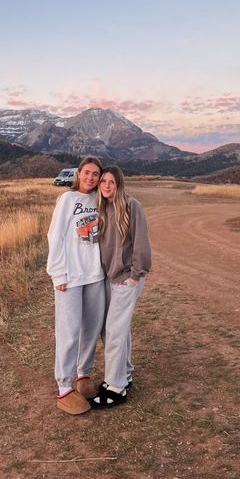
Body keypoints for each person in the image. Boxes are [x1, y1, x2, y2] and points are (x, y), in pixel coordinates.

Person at [47, 156, 105, 415]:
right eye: (87, 173)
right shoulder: (67, 200)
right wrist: (57, 274)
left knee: (91, 329)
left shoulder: (100, 201)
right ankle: (64, 387)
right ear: (78, 174)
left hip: (95, 275)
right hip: (70, 277)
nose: (91, 178)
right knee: (69, 332)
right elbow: (55, 236)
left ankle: (83, 376)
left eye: (96, 174)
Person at [92, 165, 151, 408]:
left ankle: (116, 387)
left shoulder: (131, 205)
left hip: (128, 277)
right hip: (109, 277)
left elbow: (141, 241)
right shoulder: (101, 208)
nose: (106, 185)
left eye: (111, 182)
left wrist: (136, 274)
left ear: (119, 184)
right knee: (112, 330)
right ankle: (124, 373)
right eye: (103, 181)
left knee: (115, 330)